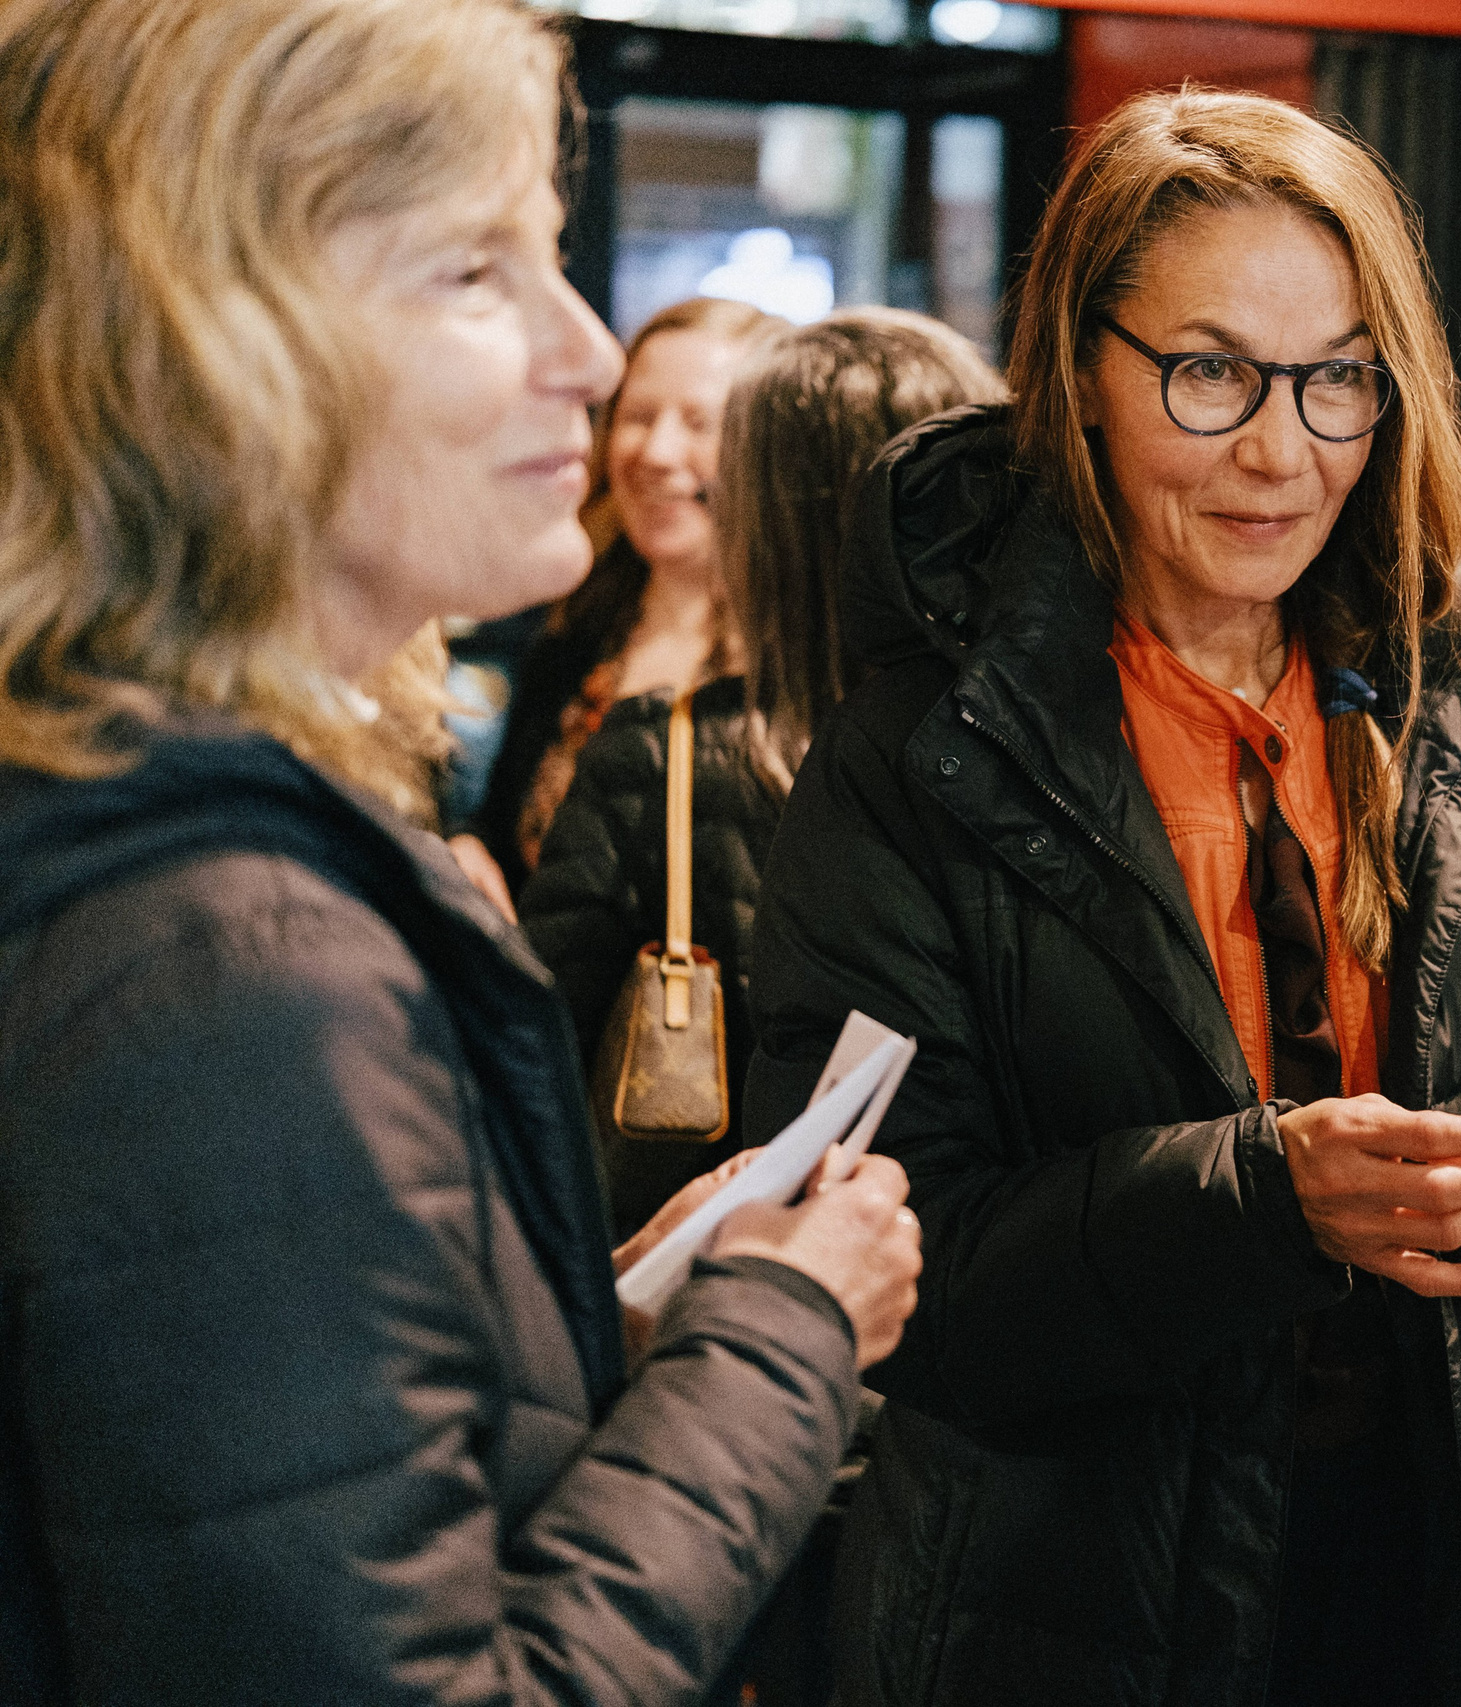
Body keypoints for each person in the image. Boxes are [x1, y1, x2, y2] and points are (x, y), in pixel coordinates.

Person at [745, 89, 1461, 1707]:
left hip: (1436, 1577)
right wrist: (1261, 1200)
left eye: (1338, 377)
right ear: (1081, 370)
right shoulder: (926, 756)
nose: (1283, 451)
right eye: (1210, 374)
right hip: (1060, 1619)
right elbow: (888, 1269)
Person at [0, 2, 921, 1700]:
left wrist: (619, 1322)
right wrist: (779, 1340)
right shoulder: (229, 960)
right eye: (473, 271)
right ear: (218, 349)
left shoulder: (158, 830)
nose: (591, 353)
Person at [522, 307, 1006, 1239]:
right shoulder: (1058, 753)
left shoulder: (657, 754)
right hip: (997, 1276)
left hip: (739, 1270)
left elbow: (523, 1074)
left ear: (765, 522)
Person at [451, 295, 782, 910]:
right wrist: (468, 849)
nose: (656, 452)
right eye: (639, 416)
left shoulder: (802, 658)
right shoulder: (577, 620)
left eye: (700, 423)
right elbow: (501, 824)